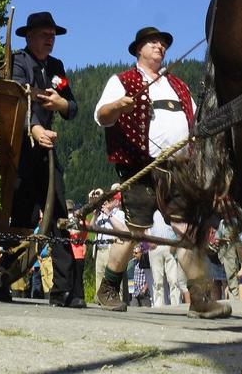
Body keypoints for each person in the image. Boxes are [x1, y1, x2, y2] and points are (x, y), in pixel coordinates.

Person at [93, 26, 230, 319]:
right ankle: (108, 288)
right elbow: (102, 116)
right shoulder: (122, 81)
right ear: (138, 49)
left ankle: (200, 298)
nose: (160, 46)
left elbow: (195, 125)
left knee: (187, 230)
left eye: (163, 43)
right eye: (153, 42)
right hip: (140, 167)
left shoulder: (179, 86)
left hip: (177, 170)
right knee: (133, 231)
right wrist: (117, 106)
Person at [7, 11, 82, 308]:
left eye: (53, 35)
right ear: (29, 36)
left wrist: (61, 103)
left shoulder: (56, 67)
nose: (50, 40)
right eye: (44, 35)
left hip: (47, 151)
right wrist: (34, 128)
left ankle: (64, 289)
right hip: (22, 150)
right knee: (22, 218)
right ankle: (4, 276)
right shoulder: (18, 61)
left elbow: (72, 107)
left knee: (58, 216)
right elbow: (16, 98)